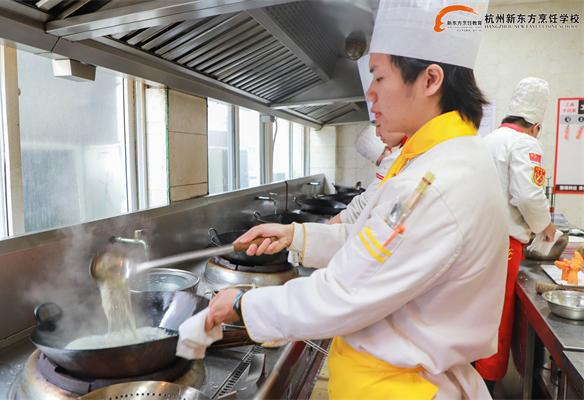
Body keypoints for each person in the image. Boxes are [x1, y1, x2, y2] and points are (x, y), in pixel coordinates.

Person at [206, 1, 508, 398]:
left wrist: (244, 305)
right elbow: (372, 243)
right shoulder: (441, 160)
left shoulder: (438, 182)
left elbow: (344, 293)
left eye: (379, 76)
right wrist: (296, 236)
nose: (371, 93)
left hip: (403, 389)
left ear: (430, 80)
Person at [476, 77, 556, 392]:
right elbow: (528, 196)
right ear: (536, 125)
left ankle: (470, 383)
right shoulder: (525, 143)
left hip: (479, 240)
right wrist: (546, 226)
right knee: (497, 318)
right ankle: (486, 388)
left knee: (478, 312)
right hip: (503, 245)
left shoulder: (489, 140)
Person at [329, 55, 406, 225]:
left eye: (379, 79)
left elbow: (364, 207)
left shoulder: (405, 157)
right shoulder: (406, 153)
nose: (377, 133)